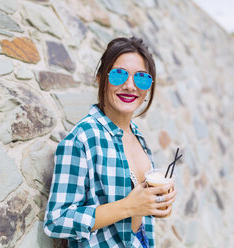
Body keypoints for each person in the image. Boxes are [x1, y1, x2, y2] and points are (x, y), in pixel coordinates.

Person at [44, 37, 177, 248]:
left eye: (141, 78)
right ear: (100, 79)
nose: (130, 86)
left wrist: (156, 206)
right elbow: (57, 221)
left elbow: (139, 212)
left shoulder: (138, 137)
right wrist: (128, 206)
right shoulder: (82, 139)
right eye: (118, 74)